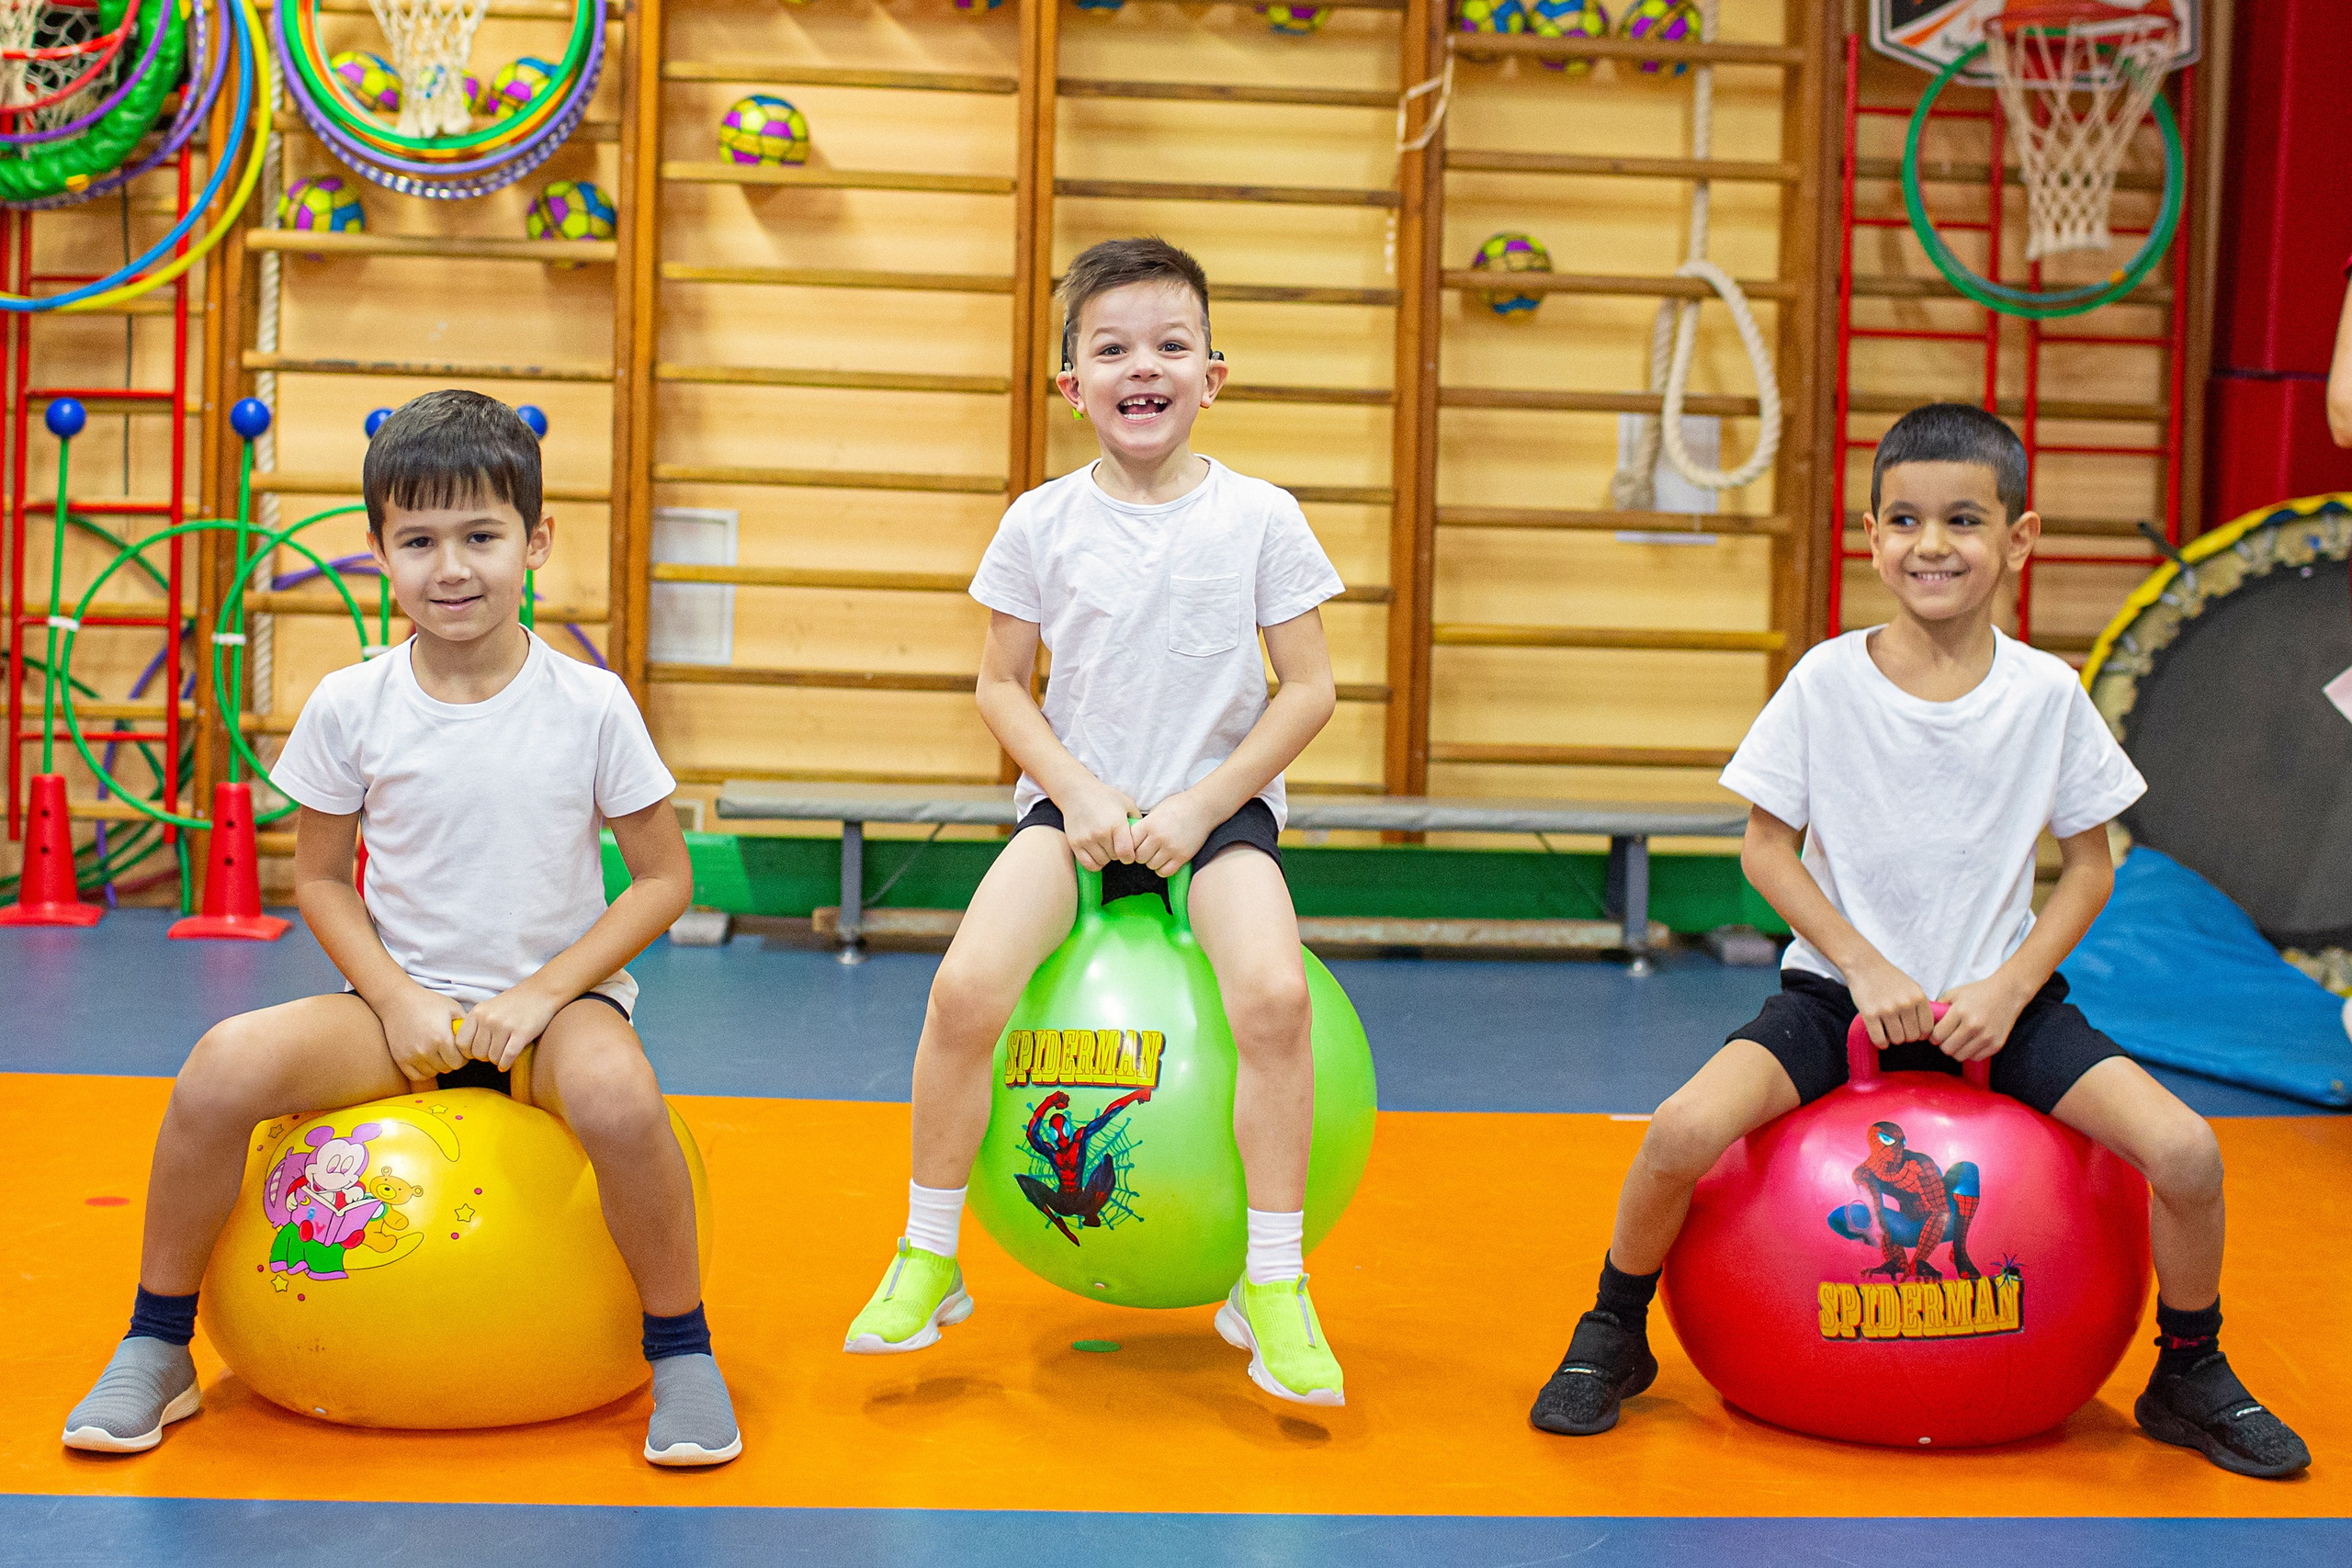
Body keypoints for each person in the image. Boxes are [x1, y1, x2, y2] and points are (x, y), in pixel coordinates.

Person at [1527, 402, 2312, 1479]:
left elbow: (2091, 867)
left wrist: (2009, 987)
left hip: (2001, 1008)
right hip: (1835, 1001)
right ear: (1870, 535)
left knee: (2186, 1152)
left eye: (1961, 520)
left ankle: (2188, 1367)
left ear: (2018, 539)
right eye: (1903, 520)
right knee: (1677, 1131)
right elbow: (1765, 851)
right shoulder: (1824, 681)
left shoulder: (2046, 695)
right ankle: (1614, 1328)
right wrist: (1861, 966)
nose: (1929, 544)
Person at [61, 391, 741, 1467]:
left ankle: (682, 1350)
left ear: (536, 541)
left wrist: (543, 995)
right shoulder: (351, 703)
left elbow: (663, 880)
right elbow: (320, 881)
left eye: (481, 536)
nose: (451, 567)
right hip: (396, 1015)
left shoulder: (591, 704)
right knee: (219, 1067)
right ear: (379, 554)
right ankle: (157, 1341)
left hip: (555, 1017)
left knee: (620, 1098)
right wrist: (398, 999)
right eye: (418, 541)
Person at [841, 236, 1350, 1406]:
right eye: (1112, 350)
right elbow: (999, 684)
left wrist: (1205, 805)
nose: (1143, 368)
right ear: (1072, 385)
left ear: (1212, 375)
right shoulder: (1039, 522)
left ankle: (1272, 1280)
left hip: (1214, 820)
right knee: (963, 993)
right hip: (1069, 819)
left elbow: (1310, 688)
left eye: (1171, 345)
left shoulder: (1262, 517)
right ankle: (928, 1253)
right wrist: (1073, 789)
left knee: (1275, 1000)